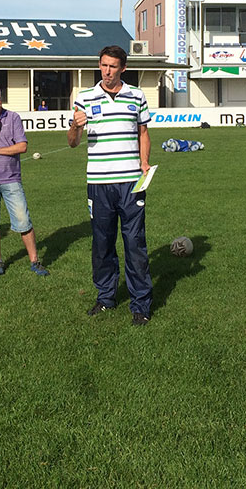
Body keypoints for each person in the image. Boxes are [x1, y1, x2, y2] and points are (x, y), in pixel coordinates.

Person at [67, 45, 153, 326]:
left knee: (135, 243)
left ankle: (140, 304)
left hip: (131, 182)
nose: (106, 71)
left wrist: (144, 163)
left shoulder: (137, 96)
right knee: (102, 243)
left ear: (123, 68)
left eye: (112, 66)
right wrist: (76, 126)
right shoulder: (85, 98)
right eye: (103, 65)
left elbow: (143, 133)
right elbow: (72, 143)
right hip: (99, 182)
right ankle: (105, 298)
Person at [0, 83, 49, 276]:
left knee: (24, 221)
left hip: (11, 179)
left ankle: (35, 261)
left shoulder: (13, 117)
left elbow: (22, 146)